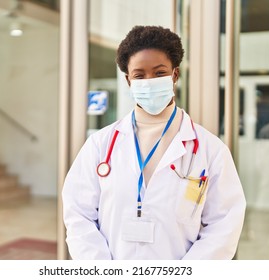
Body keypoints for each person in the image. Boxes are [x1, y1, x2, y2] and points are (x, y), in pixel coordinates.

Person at [62, 25, 246, 260]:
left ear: (175, 75)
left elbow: (223, 226)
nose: (149, 81)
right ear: (129, 80)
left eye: (159, 73)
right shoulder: (100, 145)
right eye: (139, 75)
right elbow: (78, 215)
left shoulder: (211, 150)